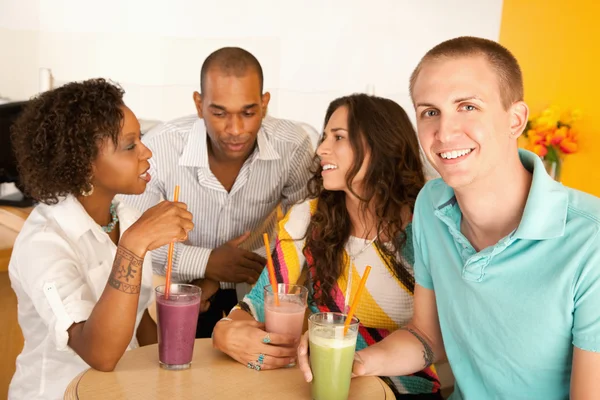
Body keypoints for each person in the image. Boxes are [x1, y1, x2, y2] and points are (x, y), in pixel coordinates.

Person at [304, 36, 600, 399]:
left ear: (515, 119)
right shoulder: (431, 204)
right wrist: (357, 362)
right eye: (430, 112)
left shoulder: (591, 241)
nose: (444, 133)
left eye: (468, 107)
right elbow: (427, 337)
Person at [213, 93, 443, 398]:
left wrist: (358, 355)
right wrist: (225, 330)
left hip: (406, 392)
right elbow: (258, 303)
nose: (321, 149)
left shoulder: (426, 228)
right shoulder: (307, 217)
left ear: (380, 146)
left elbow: (435, 338)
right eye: (324, 137)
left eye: (338, 137)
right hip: (320, 385)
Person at [8, 79, 197, 400]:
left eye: (142, 140)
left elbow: (136, 326)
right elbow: (99, 353)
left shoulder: (127, 217)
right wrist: (134, 247)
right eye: (130, 145)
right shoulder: (43, 244)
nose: (146, 152)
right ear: (83, 163)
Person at [121, 47, 315, 338]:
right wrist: (208, 263)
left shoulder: (293, 145)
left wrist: (239, 272)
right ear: (199, 105)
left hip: (261, 289)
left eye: (248, 113)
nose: (235, 129)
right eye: (219, 113)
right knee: (181, 375)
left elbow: (306, 231)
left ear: (264, 104)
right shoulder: (161, 146)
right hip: (189, 293)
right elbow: (129, 238)